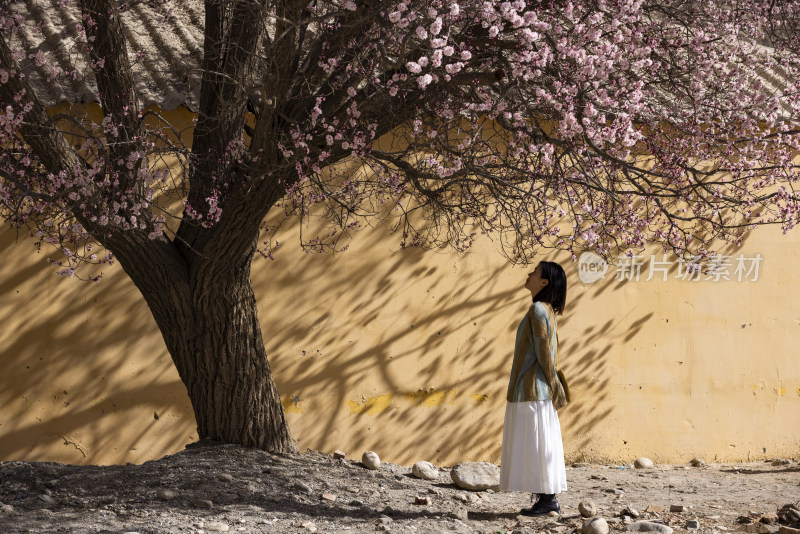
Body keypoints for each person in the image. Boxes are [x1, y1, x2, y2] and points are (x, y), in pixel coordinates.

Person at [499, 261, 568, 516]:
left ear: (544, 282)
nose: (529, 274)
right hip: (536, 390)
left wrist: (553, 385)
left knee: (536, 444)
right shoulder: (546, 310)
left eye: (535, 272)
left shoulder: (538, 309)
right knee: (539, 444)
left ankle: (548, 499)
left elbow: (544, 354)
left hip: (532, 389)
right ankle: (545, 498)